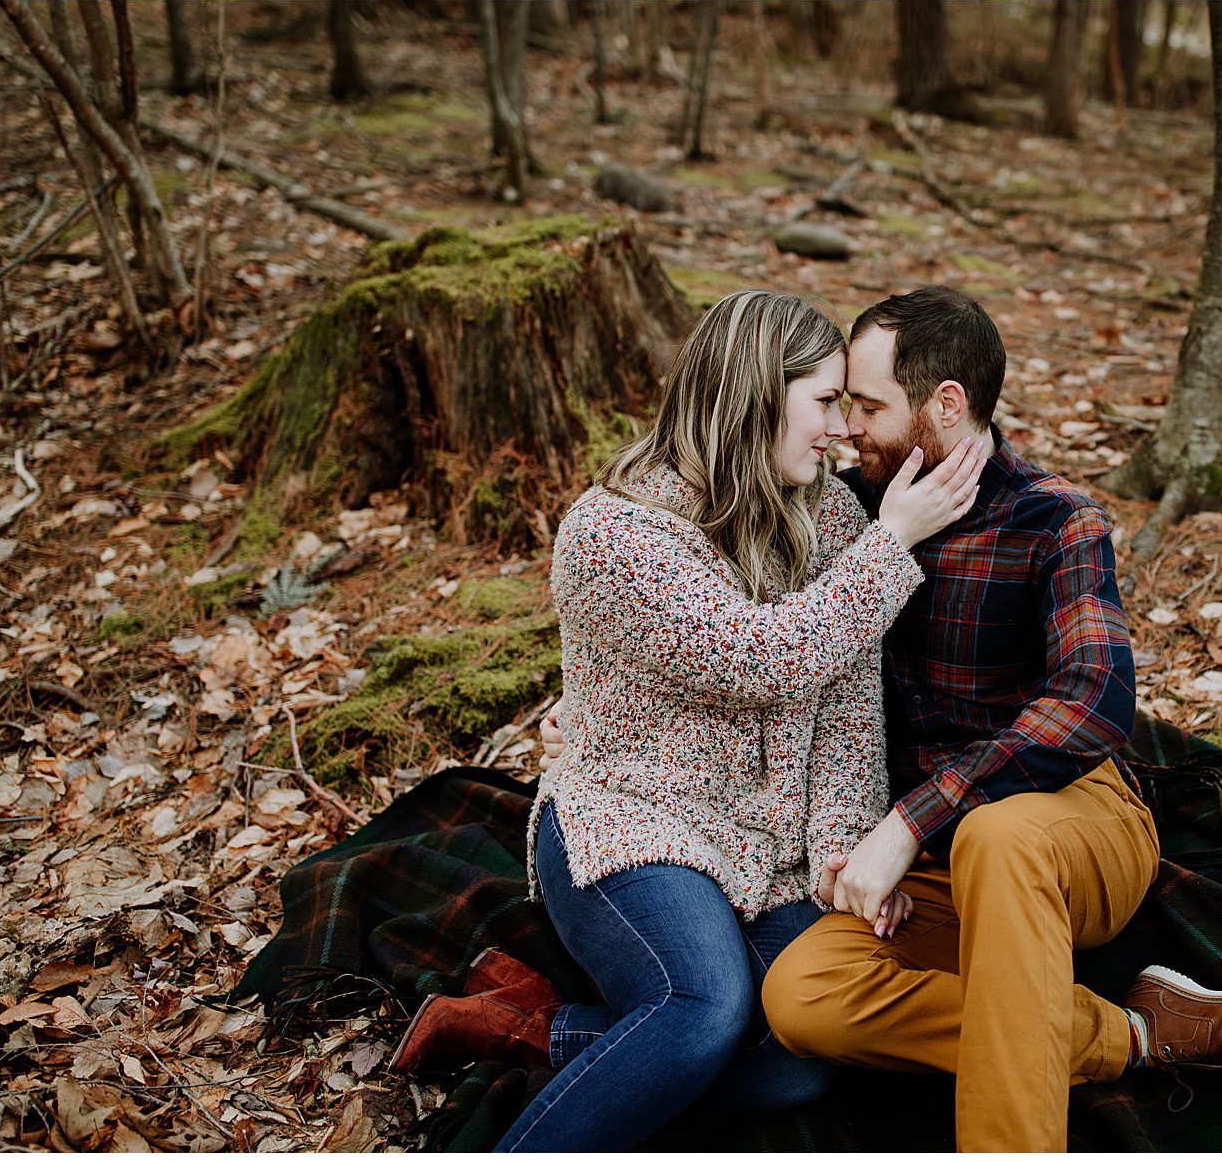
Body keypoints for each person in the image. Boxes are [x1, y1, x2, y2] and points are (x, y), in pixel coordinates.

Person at [386, 290, 987, 1152]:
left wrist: (845, 853)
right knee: (703, 1006)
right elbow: (757, 660)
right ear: (750, 394)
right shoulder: (615, 533)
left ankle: (533, 1027)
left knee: (807, 1051)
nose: (842, 432)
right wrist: (888, 553)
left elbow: (849, 718)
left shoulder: (835, 516)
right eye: (823, 402)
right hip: (633, 820)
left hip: (770, 847)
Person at [756, 286, 1222, 1151]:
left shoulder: (1055, 518)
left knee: (1000, 836)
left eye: (868, 405)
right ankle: (1137, 1032)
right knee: (802, 997)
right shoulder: (858, 512)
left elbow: (1095, 699)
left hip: (1073, 825)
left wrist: (910, 820)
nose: (846, 428)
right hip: (941, 867)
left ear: (946, 405)